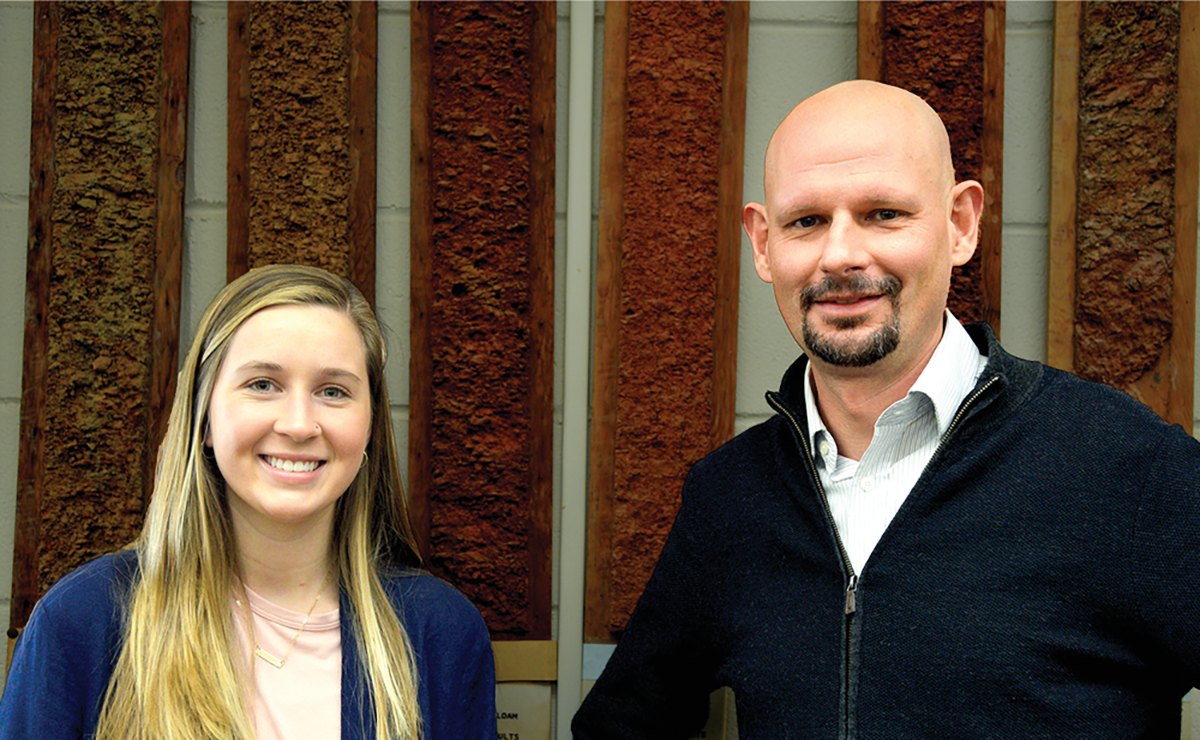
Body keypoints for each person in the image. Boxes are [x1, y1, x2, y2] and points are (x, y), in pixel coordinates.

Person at [572, 80, 1200, 738]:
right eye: (806, 221)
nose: (842, 255)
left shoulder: (1122, 467)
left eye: (883, 215)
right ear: (763, 243)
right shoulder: (730, 499)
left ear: (961, 224)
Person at [0, 264, 496, 739]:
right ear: (206, 418)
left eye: (333, 390)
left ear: (369, 426)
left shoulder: (439, 634)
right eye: (263, 384)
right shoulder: (83, 622)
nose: (299, 424)